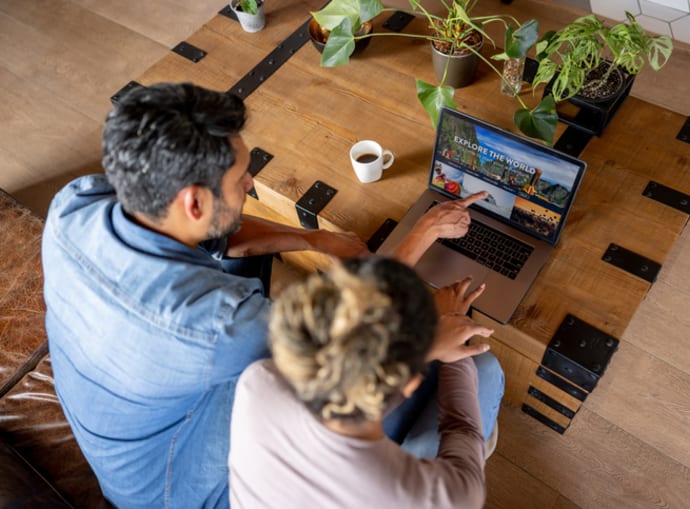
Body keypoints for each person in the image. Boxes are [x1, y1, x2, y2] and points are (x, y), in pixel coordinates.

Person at [41, 82, 486, 508]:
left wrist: (314, 240)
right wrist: (425, 249)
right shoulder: (223, 325)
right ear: (194, 203)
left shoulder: (74, 205)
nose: (252, 184)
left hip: (132, 427)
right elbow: (346, 341)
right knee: (468, 369)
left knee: (237, 258)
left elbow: (222, 235)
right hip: (177, 491)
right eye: (241, 179)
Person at [228, 257, 504, 508]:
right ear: (408, 384)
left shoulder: (259, 382)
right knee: (487, 369)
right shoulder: (445, 497)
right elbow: (462, 428)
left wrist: (425, 348)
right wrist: (453, 330)